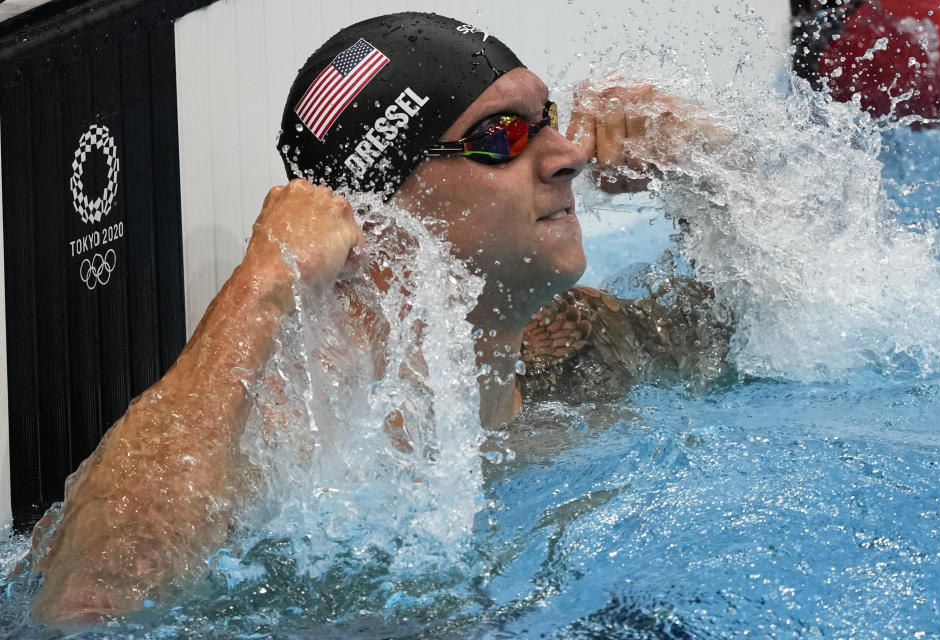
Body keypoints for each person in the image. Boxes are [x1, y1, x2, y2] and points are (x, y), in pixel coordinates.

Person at [23, 12, 727, 625]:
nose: (568, 156)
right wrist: (263, 284)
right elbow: (89, 606)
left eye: (548, 118)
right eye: (502, 136)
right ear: (382, 217)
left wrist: (709, 174)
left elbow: (770, 347)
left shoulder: (567, 341)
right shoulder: (296, 436)